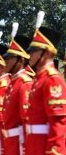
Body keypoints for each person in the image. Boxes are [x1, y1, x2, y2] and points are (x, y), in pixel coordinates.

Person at [26, 26, 66, 154]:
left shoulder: (52, 80)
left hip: (44, 148)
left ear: (47, 52)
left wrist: (54, 152)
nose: (29, 54)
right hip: (34, 146)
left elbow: (58, 123)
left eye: (34, 50)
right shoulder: (39, 79)